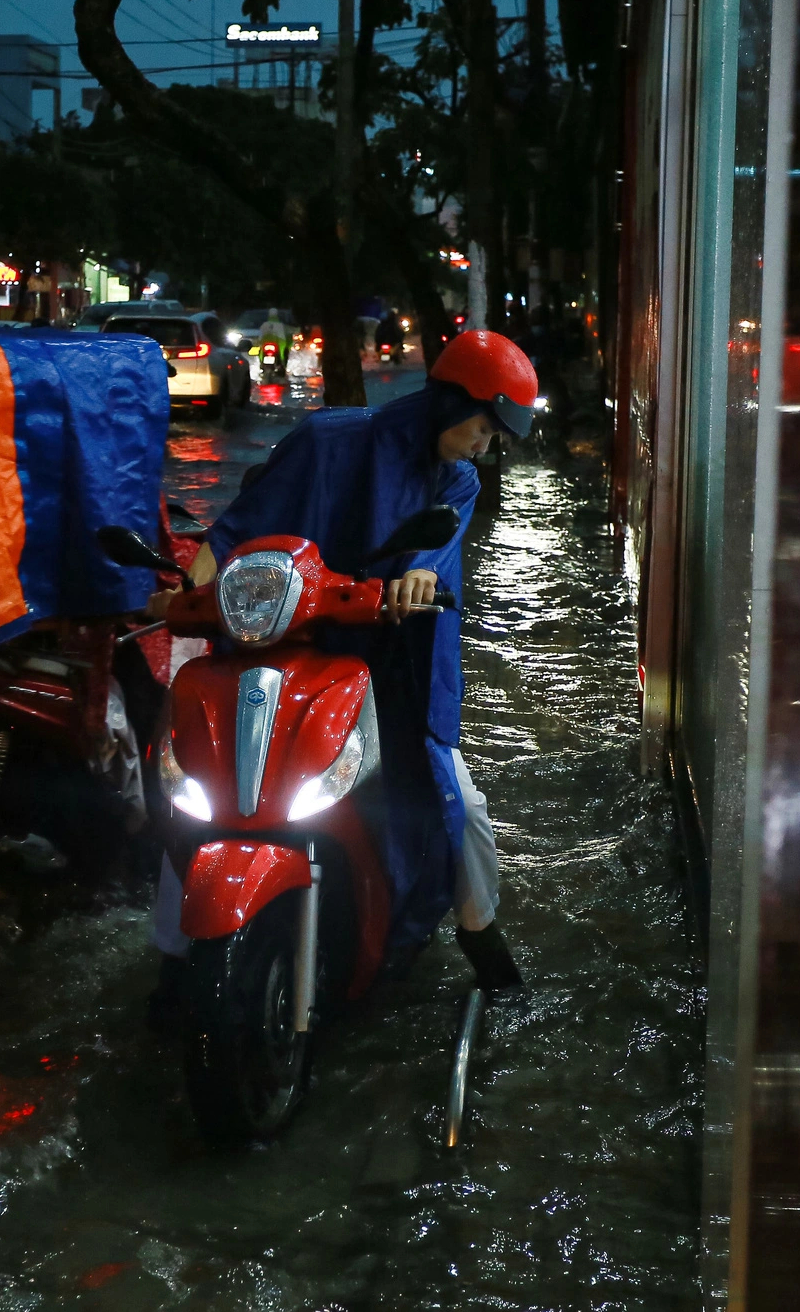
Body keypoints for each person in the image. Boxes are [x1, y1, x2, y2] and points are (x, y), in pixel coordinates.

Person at [146, 329, 538, 1002]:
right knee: (211, 792)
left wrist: (413, 582)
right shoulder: (326, 440)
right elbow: (233, 530)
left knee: (460, 806)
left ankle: (481, 932)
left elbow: (431, 560)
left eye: (496, 433)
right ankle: (173, 954)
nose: (486, 441)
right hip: (281, 649)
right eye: (485, 424)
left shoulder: (459, 479)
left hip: (390, 666)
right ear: (452, 401)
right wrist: (191, 593)